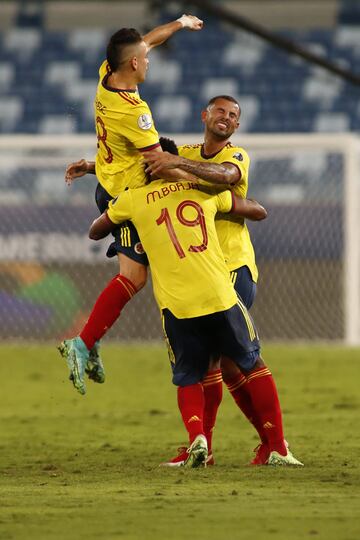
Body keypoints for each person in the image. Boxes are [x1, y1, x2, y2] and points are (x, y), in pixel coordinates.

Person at [65, 95, 275, 465]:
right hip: (198, 269)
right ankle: (221, 446)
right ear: (204, 115)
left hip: (232, 266)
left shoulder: (236, 156)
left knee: (223, 362)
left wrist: (177, 164)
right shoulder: (187, 152)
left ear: (237, 125)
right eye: (219, 111)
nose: (225, 118)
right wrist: (93, 166)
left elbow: (223, 180)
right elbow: (149, 164)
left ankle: (261, 443)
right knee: (218, 364)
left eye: (232, 114)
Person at [58, 14, 204, 393]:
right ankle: (83, 342)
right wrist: (202, 183)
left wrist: (180, 23)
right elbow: (159, 163)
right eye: (146, 57)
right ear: (134, 64)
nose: (150, 58)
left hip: (108, 180)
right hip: (126, 196)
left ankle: (89, 340)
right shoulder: (135, 113)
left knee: (141, 274)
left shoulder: (107, 71)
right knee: (134, 277)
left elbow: (148, 40)